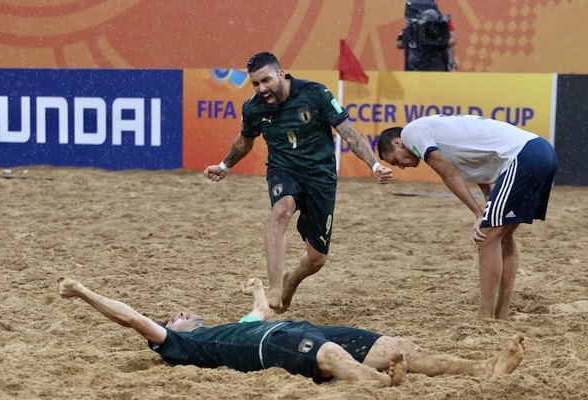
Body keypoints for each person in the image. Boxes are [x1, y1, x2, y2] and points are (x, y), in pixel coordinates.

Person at [58, 277, 526, 385]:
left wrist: (257, 291)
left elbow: (261, 311)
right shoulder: (179, 345)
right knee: (330, 360)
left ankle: (484, 369)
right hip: (272, 348)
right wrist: (82, 292)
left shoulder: (231, 327)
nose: (180, 314)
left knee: (398, 345)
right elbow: (131, 317)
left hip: (292, 327)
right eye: (174, 315)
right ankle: (381, 384)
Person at [203, 52, 393, 313]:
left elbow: (349, 133)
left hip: (320, 176)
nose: (261, 89)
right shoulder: (253, 108)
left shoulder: (316, 94)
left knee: (316, 259)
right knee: (281, 210)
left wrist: (374, 165)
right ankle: (275, 288)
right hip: (284, 170)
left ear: (281, 74)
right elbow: (245, 140)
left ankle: (290, 281)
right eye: (256, 84)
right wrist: (224, 165)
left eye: (266, 80)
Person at [376, 114, 558, 320]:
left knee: (486, 235)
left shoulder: (411, 132)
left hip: (525, 156)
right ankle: (501, 313)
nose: (400, 167)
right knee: (503, 234)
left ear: (397, 142)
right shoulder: (445, 140)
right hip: (542, 152)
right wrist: (488, 207)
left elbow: (448, 174)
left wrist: (480, 215)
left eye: (395, 160)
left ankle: (485, 316)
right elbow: (480, 170)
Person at [396, 0, 457, 71]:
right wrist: (415, 40)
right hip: (416, 66)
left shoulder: (442, 22)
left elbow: (453, 40)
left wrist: (439, 41)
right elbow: (399, 43)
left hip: (438, 65)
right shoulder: (413, 25)